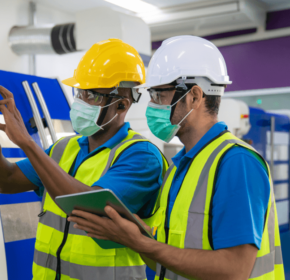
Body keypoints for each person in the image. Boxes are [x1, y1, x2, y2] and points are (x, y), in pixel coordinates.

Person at [68, 35, 284, 280]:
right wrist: (132, 234)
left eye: (159, 95)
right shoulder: (180, 168)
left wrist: (141, 242)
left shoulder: (236, 162)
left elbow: (234, 270)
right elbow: (166, 257)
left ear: (194, 96)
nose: (151, 105)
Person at [0, 38, 168, 280]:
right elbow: (3, 181)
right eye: (79, 92)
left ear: (122, 105)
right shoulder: (64, 148)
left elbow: (88, 208)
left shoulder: (141, 156)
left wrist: (28, 143)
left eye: (92, 96)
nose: (81, 101)